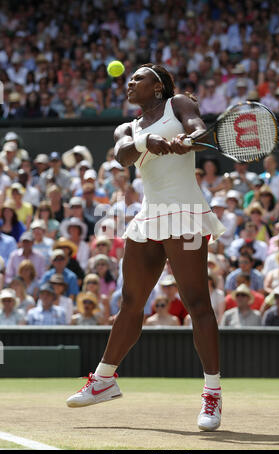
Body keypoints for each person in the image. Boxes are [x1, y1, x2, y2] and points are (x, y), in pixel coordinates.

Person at [66, 63, 225, 431]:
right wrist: (147, 142)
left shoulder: (179, 104)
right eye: (129, 79)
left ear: (158, 87)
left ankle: (213, 393)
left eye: (138, 77)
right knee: (131, 304)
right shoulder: (130, 126)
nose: (130, 82)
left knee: (198, 304)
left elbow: (201, 131)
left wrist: (190, 137)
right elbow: (122, 154)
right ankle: (105, 379)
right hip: (149, 216)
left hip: (184, 212)